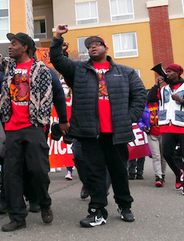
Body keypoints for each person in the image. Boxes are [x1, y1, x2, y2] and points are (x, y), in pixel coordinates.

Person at [50, 25, 146, 228]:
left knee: (119, 171)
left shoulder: (126, 72)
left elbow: (140, 95)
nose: (93, 48)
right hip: (89, 133)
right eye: (90, 46)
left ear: (106, 48)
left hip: (116, 133)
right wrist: (58, 37)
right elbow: (57, 60)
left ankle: (124, 206)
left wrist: (128, 118)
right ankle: (97, 210)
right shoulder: (78, 70)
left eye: (97, 45)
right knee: (94, 174)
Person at [0, 19, 68, 232]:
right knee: (11, 174)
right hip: (11, 128)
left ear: (25, 47)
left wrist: (40, 121)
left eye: (14, 43)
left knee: (38, 170)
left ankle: (45, 202)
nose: (10, 46)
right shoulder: (8, 66)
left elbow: (49, 97)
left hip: (33, 127)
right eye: (10, 43)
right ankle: (17, 217)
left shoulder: (41, 69)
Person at [146, 64, 184, 196]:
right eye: (167, 71)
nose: (167, 74)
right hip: (167, 127)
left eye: (169, 72)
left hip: (183, 127)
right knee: (167, 154)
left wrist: (181, 101)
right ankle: (179, 173)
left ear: (177, 73)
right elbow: (150, 98)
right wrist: (157, 85)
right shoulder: (164, 89)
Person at [145, 101, 167, 187]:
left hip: (163, 134)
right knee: (156, 156)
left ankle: (163, 174)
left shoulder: (162, 105)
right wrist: (143, 126)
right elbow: (140, 120)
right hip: (152, 134)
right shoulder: (144, 107)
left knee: (163, 156)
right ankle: (158, 176)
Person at [128, 106, 150, 180]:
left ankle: (137, 172)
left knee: (140, 150)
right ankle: (134, 171)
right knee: (133, 150)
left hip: (141, 128)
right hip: (135, 127)